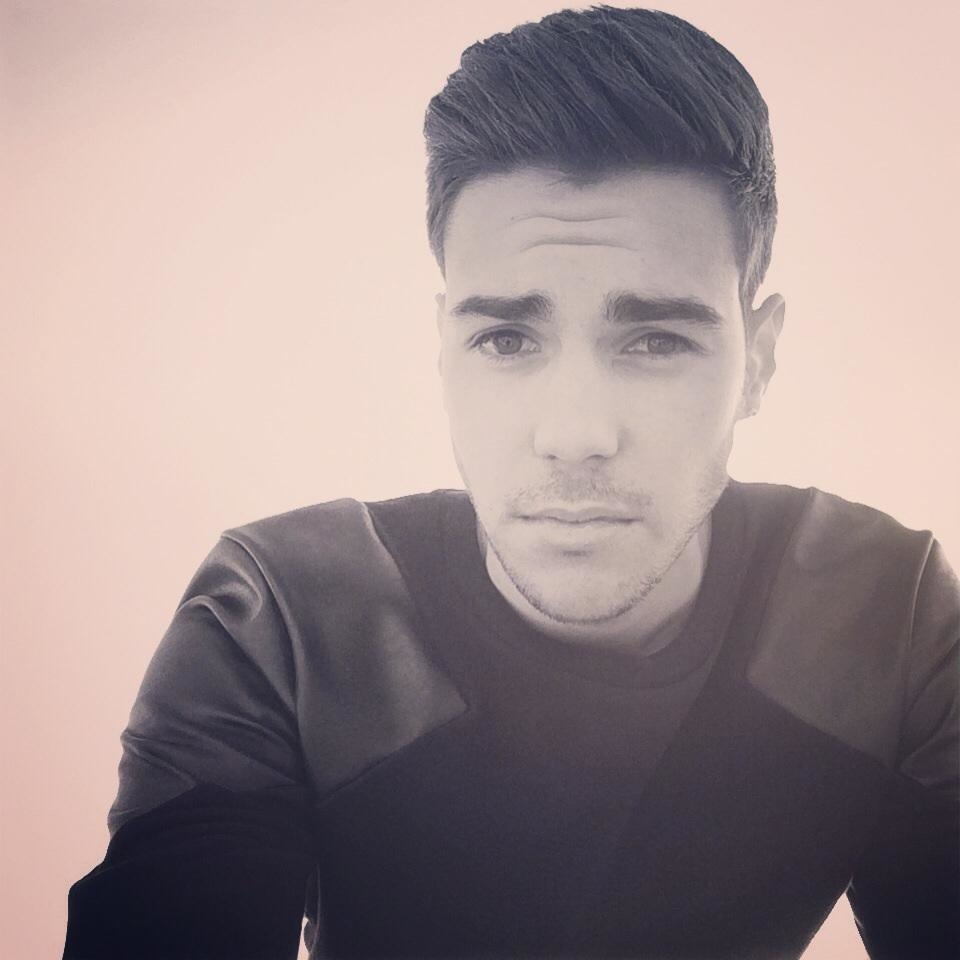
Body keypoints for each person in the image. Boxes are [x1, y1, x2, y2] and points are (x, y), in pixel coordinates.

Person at [62, 6, 958, 959]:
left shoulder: (884, 619)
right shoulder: (283, 621)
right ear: (443, 354)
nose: (574, 436)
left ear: (759, 360)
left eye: (657, 340)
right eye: (505, 339)